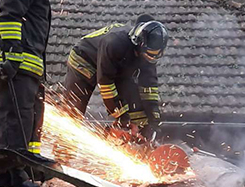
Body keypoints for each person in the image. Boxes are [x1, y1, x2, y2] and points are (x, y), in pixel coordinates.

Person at [0, 0, 74, 187]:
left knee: (31, 116)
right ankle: (16, 171)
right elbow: (10, 16)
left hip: (27, 64)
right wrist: (12, 55)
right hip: (17, 62)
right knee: (16, 118)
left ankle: (21, 168)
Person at [62, 14, 169, 142]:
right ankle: (62, 152)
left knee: (135, 102)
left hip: (116, 66)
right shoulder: (114, 43)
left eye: (153, 57)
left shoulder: (148, 56)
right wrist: (123, 117)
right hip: (84, 60)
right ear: (139, 43)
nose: (149, 59)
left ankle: (136, 143)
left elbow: (149, 87)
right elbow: (106, 83)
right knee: (74, 108)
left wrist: (153, 121)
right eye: (147, 55)